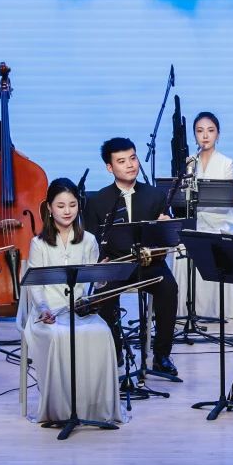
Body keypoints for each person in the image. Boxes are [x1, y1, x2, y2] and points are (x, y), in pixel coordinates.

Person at [18, 178, 123, 426]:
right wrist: (43, 309)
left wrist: (101, 275)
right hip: (48, 313)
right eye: (61, 205)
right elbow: (35, 286)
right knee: (59, 336)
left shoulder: (89, 240)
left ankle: (92, 406)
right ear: (49, 208)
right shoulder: (38, 243)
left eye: (72, 205)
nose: (67, 211)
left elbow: (95, 285)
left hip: (78, 311)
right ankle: (60, 408)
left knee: (102, 332)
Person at [83, 137, 179, 376]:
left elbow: (167, 239)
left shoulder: (156, 196)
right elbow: (91, 239)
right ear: (109, 167)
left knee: (169, 288)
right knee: (104, 294)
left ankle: (161, 355)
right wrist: (101, 261)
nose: (130, 165)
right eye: (122, 161)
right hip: (115, 265)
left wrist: (166, 227)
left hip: (149, 263)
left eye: (133, 158)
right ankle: (114, 350)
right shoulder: (97, 200)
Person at [178, 112, 233, 320]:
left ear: (218, 134)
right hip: (197, 221)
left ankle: (221, 309)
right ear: (194, 135)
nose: (205, 136)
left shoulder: (227, 162)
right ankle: (190, 309)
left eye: (210, 130)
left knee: (219, 241)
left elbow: (227, 198)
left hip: (221, 221)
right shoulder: (190, 162)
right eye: (200, 131)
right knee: (182, 247)